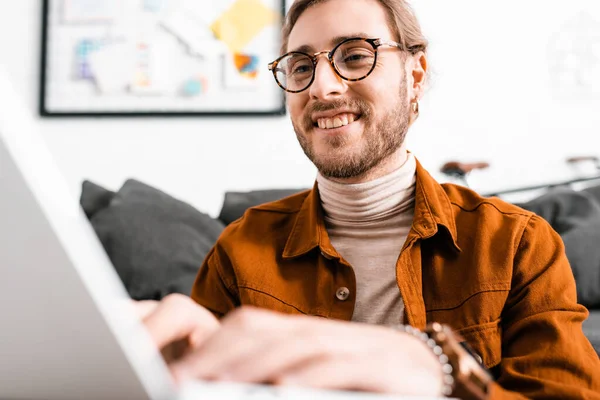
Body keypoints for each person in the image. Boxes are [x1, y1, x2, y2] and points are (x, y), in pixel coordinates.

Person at [136, 0, 600, 398]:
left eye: (355, 56)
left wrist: (440, 370)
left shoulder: (520, 243)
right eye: (301, 66)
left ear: (415, 73)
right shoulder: (238, 250)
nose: (321, 87)